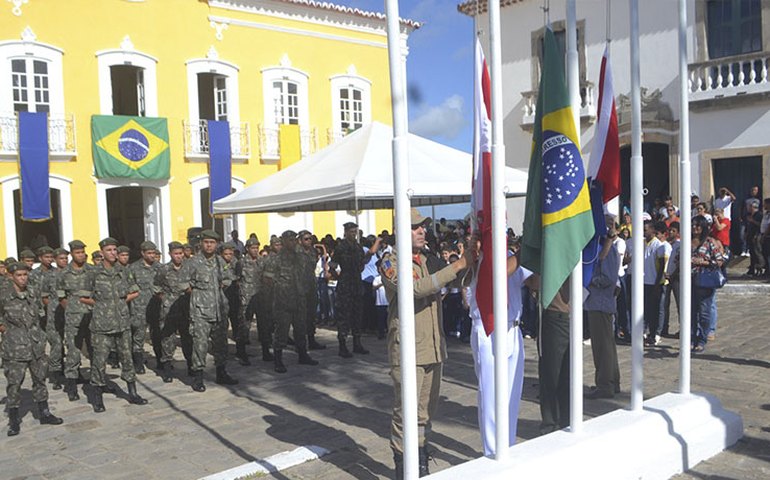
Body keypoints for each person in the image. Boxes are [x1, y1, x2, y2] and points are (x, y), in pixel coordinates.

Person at [382, 209, 468, 479]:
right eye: (415, 227)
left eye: (423, 227)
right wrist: (456, 265)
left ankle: (420, 464)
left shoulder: (429, 259)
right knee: (405, 413)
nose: (421, 231)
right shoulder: (390, 260)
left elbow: (457, 280)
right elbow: (415, 289)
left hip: (432, 345)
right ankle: (402, 468)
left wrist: (472, 260)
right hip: (408, 349)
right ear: (400, 231)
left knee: (425, 413)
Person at [469, 236, 533, 455]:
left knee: (511, 396)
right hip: (489, 330)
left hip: (513, 329)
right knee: (491, 398)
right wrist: (527, 248)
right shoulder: (481, 259)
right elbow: (500, 272)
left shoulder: (509, 256)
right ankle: (491, 453)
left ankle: (508, 447)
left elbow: (533, 281)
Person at [85, 238, 148, 412]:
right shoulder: (93, 272)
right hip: (101, 325)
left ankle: (132, 393)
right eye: (109, 250)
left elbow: (135, 291)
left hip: (122, 322)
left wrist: (119, 302)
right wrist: (102, 305)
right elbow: (83, 296)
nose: (113, 253)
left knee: (127, 358)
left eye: (114, 250)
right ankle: (97, 396)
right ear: (102, 252)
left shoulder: (123, 271)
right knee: (99, 360)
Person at [1, 262, 64, 436]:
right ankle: (14, 419)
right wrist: (6, 330)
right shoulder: (4, 294)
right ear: (11, 276)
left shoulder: (33, 291)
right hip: (14, 346)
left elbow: (39, 312)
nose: (23, 278)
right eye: (19, 275)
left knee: (40, 378)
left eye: (25, 275)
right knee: (14, 383)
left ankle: (44, 412)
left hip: (35, 343)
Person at [188, 230, 238, 392]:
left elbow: (229, 277)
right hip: (200, 311)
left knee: (221, 343)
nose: (209, 245)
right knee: (200, 344)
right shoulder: (193, 262)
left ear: (217, 244)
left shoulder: (220, 261)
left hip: (219, 309)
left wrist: (220, 286)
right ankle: (198, 377)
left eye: (212, 242)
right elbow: (183, 283)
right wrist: (199, 293)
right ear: (201, 244)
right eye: (206, 242)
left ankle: (221, 372)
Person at [263, 230, 318, 373]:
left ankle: (303, 355)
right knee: (282, 331)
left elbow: (308, 272)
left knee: (301, 329)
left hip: (299, 300)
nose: (293, 243)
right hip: (283, 301)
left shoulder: (300, 257)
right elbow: (267, 280)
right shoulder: (275, 259)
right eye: (290, 240)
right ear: (283, 241)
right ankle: (278, 359)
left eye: (294, 240)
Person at [333, 222, 381, 358]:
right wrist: (336, 275)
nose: (354, 234)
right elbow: (333, 264)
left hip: (356, 283)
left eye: (355, 232)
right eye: (351, 232)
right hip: (345, 285)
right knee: (344, 317)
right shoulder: (341, 248)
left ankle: (357, 343)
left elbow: (362, 263)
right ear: (346, 232)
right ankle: (342, 346)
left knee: (357, 315)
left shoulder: (358, 247)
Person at [585, 222, 621, 400]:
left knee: (602, 347)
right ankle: (612, 381)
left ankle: (605, 384)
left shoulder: (608, 251)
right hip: (598, 303)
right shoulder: (603, 249)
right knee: (606, 345)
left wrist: (588, 280)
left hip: (600, 302)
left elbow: (607, 278)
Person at [57, 240, 93, 401]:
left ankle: (98, 380)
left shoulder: (92, 270)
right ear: (72, 254)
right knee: (73, 351)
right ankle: (71, 385)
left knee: (95, 349)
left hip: (92, 317)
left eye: (83, 252)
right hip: (73, 318)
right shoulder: (64, 274)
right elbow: (61, 297)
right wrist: (72, 309)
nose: (81, 255)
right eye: (78, 252)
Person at [153, 241, 192, 383]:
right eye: (176, 253)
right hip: (169, 309)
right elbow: (156, 287)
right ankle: (167, 368)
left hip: (186, 308)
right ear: (170, 254)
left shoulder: (188, 268)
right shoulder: (164, 269)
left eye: (181, 253)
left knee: (188, 337)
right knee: (168, 338)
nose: (179, 256)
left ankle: (191, 365)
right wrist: (164, 299)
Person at [691, 216, 724, 353]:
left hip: (705, 281)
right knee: (690, 312)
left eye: (698, 226)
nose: (695, 228)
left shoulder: (710, 242)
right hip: (689, 280)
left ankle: (702, 339)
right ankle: (692, 338)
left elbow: (719, 261)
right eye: (693, 225)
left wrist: (702, 262)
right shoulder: (687, 241)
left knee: (704, 312)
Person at [128, 241, 161, 374]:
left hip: (156, 307)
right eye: (149, 253)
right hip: (139, 308)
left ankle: (161, 360)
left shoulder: (159, 268)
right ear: (142, 253)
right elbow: (129, 285)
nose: (152, 255)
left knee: (158, 335)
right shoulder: (134, 268)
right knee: (138, 335)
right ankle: (138, 362)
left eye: (153, 253)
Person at [234, 236, 261, 366]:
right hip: (246, 298)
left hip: (260, 297)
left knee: (264, 324)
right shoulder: (242, 263)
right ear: (247, 249)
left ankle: (266, 350)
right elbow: (237, 280)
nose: (255, 250)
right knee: (244, 325)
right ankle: (241, 351)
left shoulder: (262, 261)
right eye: (253, 248)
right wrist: (242, 295)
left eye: (257, 248)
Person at [298, 230, 325, 350]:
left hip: (311, 287)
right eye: (306, 239)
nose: (309, 241)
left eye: (310, 239)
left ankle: (311, 340)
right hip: (300, 288)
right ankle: (301, 344)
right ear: (300, 240)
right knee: (301, 317)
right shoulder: (295, 253)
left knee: (311, 315)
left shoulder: (313, 252)